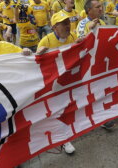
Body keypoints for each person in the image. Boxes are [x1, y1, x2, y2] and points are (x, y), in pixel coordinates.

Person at [36, 12, 77, 154]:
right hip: (54, 85)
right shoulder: (45, 41)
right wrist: (39, 55)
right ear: (54, 27)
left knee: (69, 107)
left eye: (68, 22)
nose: (68, 25)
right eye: (63, 23)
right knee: (57, 111)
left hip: (69, 81)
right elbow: (37, 65)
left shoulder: (72, 36)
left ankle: (68, 132)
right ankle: (64, 140)